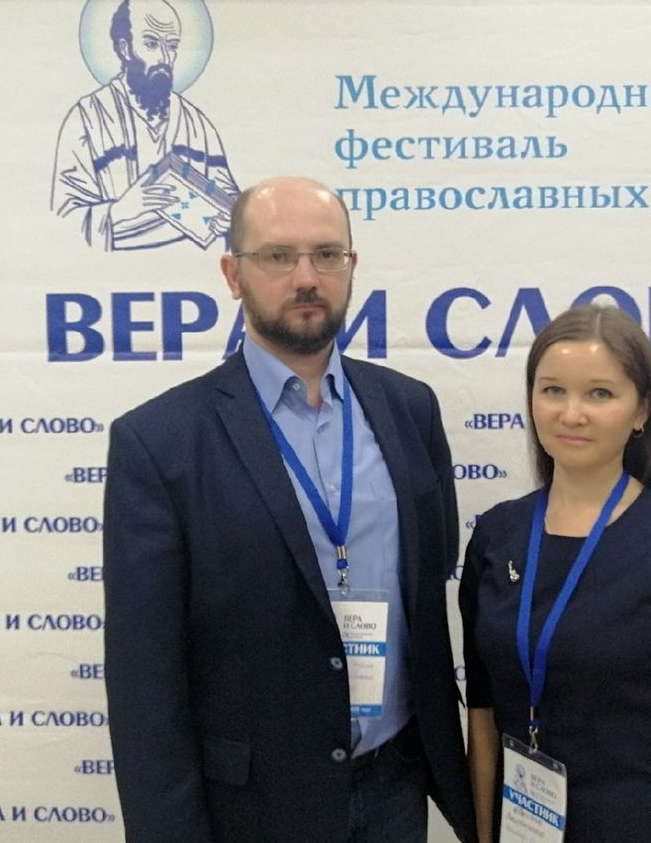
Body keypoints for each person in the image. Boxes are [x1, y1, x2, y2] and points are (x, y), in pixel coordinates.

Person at [103, 176, 477, 843]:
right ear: (232, 274)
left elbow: (433, 566)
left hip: (397, 785)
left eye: (327, 254)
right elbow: (144, 684)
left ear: (351, 266)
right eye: (278, 256)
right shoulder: (159, 443)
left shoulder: (409, 408)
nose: (307, 277)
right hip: (254, 806)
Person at [459, 305, 651, 842]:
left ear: (642, 411)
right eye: (552, 390)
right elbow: (482, 715)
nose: (572, 414)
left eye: (600, 393)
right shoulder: (497, 536)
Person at [52, 0, 237, 250]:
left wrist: (228, 218)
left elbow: (229, 198)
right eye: (151, 44)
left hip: (188, 261)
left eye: (172, 46)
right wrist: (120, 210)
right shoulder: (88, 118)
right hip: (114, 265)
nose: (164, 58)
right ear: (125, 48)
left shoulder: (195, 123)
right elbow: (62, 220)